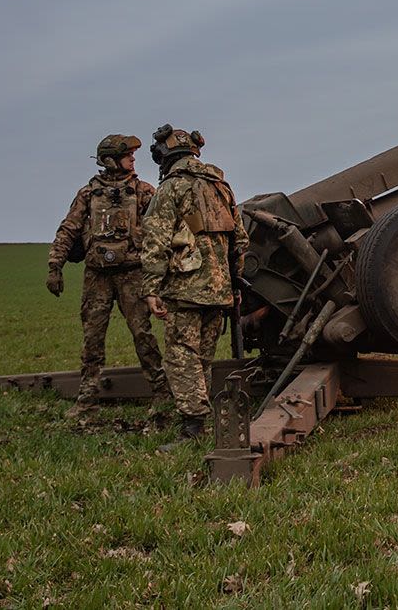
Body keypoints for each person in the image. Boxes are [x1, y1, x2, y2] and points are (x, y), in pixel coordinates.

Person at [47, 134, 171, 422]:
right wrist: (55, 266)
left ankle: (162, 394)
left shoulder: (143, 192)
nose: (133, 158)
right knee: (92, 339)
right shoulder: (88, 194)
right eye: (127, 154)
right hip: (97, 277)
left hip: (133, 275)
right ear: (109, 159)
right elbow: (68, 229)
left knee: (144, 336)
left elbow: (161, 231)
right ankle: (87, 401)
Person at [139, 124, 250, 441]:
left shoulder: (172, 189)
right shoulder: (221, 187)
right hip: (220, 290)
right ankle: (202, 420)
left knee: (181, 357)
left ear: (166, 158)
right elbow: (240, 242)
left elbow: (155, 242)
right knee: (203, 357)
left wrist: (151, 289)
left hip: (185, 291)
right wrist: (234, 283)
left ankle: (193, 427)